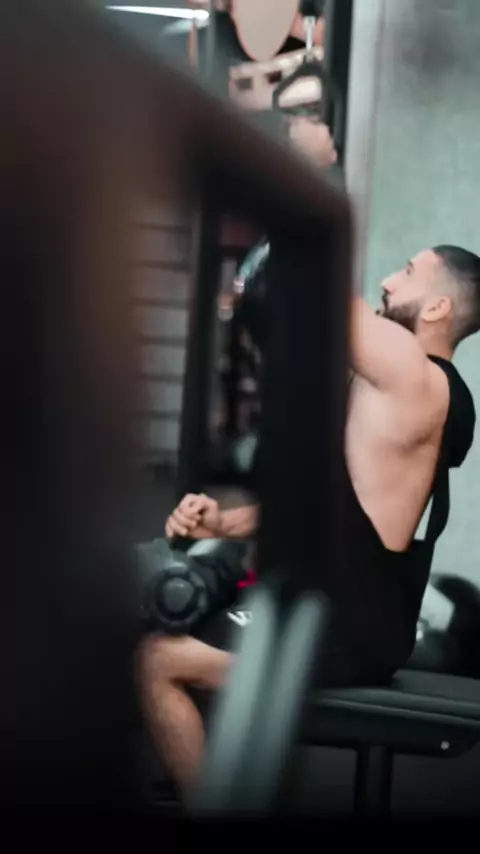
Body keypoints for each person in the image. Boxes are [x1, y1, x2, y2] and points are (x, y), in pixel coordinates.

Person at [138, 122, 479, 795]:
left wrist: (310, 174)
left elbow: (303, 281)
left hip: (341, 631)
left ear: (440, 305)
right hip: (348, 619)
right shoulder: (404, 390)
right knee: (165, 618)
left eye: (408, 272)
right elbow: (337, 511)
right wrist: (222, 524)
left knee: (156, 660)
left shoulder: (413, 377)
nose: (388, 281)